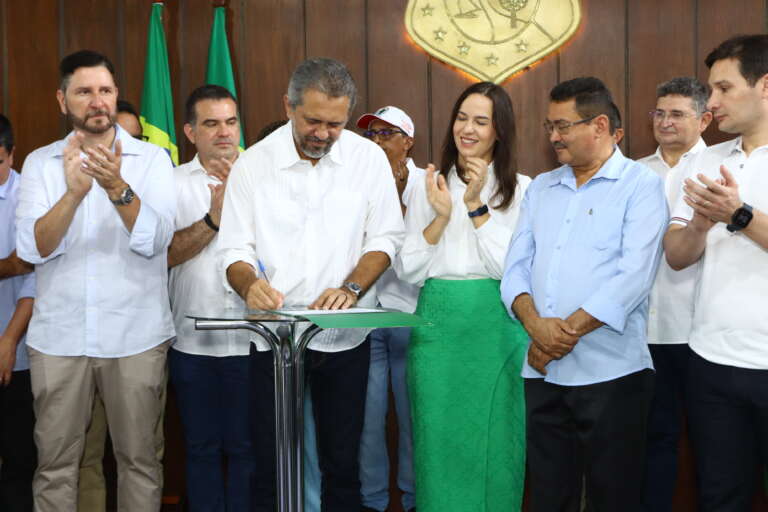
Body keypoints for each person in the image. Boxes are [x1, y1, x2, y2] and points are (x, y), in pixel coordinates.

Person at [218, 57, 404, 512]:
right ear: (288, 106)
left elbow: (386, 236)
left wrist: (352, 288)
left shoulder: (368, 159)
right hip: (274, 337)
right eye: (313, 121)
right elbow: (233, 252)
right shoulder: (253, 164)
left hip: (344, 337)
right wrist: (249, 286)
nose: (323, 133)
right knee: (271, 460)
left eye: (335, 124)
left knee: (343, 462)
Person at [15, 50, 175, 512]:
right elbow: (32, 248)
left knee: (141, 462)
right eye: (84, 92)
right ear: (63, 100)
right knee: (55, 466)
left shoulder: (152, 160)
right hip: (60, 338)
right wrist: (74, 194)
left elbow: (157, 238)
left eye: (105, 91)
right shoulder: (41, 163)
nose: (97, 101)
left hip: (137, 335)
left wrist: (116, 188)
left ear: (117, 96)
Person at [501, 77, 668, 512]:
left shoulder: (640, 185)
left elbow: (633, 277)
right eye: (549, 126)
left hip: (612, 374)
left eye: (563, 126)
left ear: (598, 125)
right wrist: (537, 328)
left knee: (614, 497)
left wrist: (559, 337)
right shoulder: (541, 187)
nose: (553, 136)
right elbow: (515, 267)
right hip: (542, 375)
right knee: (548, 496)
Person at [396, 81, 530, 511]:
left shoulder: (523, 188)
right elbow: (409, 269)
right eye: (461, 117)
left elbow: (508, 269)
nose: (467, 129)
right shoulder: (427, 184)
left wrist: (475, 206)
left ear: (500, 131)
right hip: (436, 328)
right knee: (438, 442)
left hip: (496, 328)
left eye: (480, 121)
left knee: (497, 441)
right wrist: (441, 216)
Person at [663, 34, 768, 511]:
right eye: (710, 89)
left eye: (724, 88)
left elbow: (739, 217)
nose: (713, 102)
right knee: (720, 496)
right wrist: (702, 225)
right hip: (711, 359)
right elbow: (678, 256)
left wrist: (739, 214)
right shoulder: (707, 159)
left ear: (765, 85)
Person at [167, 84, 255, 511]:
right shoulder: (171, 183)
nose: (224, 133)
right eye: (211, 123)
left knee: (246, 449)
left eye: (231, 122)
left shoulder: (262, 179)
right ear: (189, 131)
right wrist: (213, 219)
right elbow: (162, 255)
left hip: (253, 339)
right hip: (191, 341)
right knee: (200, 449)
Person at [637, 76, 711, 512]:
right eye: (659, 113)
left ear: (704, 119)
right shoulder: (633, 171)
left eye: (677, 114)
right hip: (644, 330)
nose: (665, 122)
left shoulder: (720, 169)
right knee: (654, 438)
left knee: (714, 444)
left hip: (702, 330)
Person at [76, 96, 146, 512]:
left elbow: (163, 247)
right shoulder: (67, 183)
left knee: (139, 459)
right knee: (82, 457)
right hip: (80, 344)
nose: (120, 151)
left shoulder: (156, 180)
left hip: (139, 342)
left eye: (131, 140)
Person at [355, 106, 423, 512]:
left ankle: (414, 500)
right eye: (371, 135)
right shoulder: (356, 183)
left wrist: (396, 199)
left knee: (413, 419)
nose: (377, 142)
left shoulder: (425, 184)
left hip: (408, 316)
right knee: (368, 421)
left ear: (407, 141)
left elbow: (413, 261)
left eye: (386, 134)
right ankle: (373, 501)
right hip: (365, 318)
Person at [0, 113, 36, 512]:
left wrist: (9, 340)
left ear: (12, 154)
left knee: (20, 462)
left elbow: (36, 275)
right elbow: (16, 265)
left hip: (18, 351)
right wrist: (8, 265)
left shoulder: (29, 196)